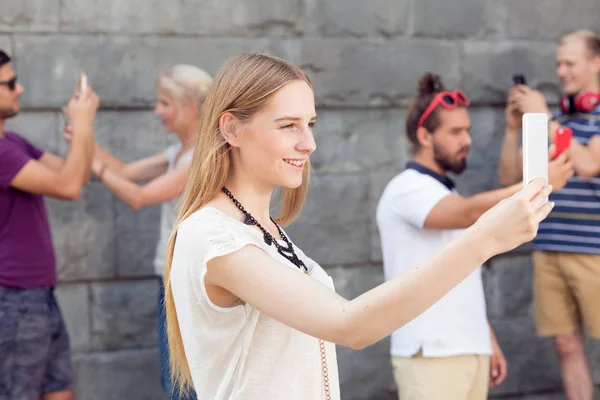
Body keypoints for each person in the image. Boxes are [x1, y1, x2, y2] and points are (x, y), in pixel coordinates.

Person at [162, 52, 554, 400]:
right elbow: (350, 325)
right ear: (231, 129)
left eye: (310, 123)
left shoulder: (264, 232)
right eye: (288, 125)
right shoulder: (213, 237)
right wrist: (484, 240)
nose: (309, 143)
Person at [375, 73, 573, 400]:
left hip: (468, 348)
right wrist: (538, 182)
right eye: (455, 132)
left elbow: (462, 276)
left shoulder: (440, 189)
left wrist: (486, 338)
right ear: (424, 136)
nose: (466, 140)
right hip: (431, 352)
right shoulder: (406, 188)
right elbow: (466, 212)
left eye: (467, 130)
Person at [65, 64, 212, 399]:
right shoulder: (180, 152)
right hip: (173, 281)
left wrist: (94, 161)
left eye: (164, 103)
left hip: (188, 284)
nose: (156, 110)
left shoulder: (201, 157)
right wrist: (84, 136)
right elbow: (126, 173)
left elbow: (139, 196)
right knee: (176, 380)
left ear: (190, 106)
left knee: (182, 385)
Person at [498, 30, 600, 400]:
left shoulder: (555, 120)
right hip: (550, 247)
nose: (562, 71)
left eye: (570, 63)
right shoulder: (554, 118)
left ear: (595, 63)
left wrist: (544, 117)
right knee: (566, 346)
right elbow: (510, 178)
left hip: (595, 251)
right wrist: (513, 130)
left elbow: (588, 163)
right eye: (558, 63)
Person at [0, 49, 99, 400]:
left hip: (36, 295)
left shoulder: (11, 143)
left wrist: (81, 136)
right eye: (10, 83)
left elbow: (79, 173)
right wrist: (84, 123)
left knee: (59, 391)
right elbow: (69, 187)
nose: (20, 88)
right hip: (13, 297)